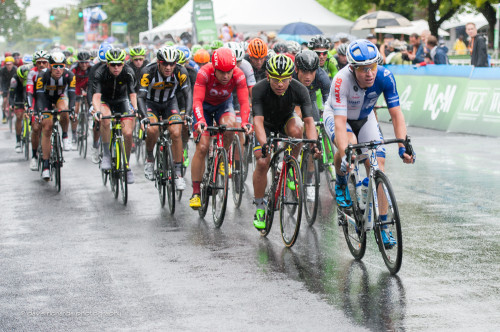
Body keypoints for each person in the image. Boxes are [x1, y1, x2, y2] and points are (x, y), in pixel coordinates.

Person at [323, 39, 414, 246]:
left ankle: (382, 224)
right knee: (349, 144)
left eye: (373, 66)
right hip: (339, 116)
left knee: (377, 166)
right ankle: (341, 181)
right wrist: (347, 153)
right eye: (364, 69)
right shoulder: (341, 81)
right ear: (352, 67)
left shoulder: (385, 76)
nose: (369, 73)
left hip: (365, 118)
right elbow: (340, 124)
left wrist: (403, 146)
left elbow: (396, 114)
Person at [251, 54, 319, 229]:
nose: (280, 84)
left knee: (298, 130)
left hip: (285, 121)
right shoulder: (259, 89)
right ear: (268, 77)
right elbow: (257, 121)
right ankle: (260, 206)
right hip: (265, 123)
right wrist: (264, 144)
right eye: (275, 80)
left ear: (291, 77)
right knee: (262, 161)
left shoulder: (300, 89)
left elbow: (309, 121)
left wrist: (313, 143)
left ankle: (290, 165)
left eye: (284, 80)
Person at [189, 47, 253, 209]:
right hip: (203, 106)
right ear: (214, 68)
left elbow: (245, 101)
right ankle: (196, 192)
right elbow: (196, 100)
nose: (226, 76)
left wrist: (245, 121)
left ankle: (221, 155)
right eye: (221, 72)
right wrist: (200, 121)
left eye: (229, 72)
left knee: (231, 126)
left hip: (223, 105)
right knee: (202, 146)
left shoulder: (238, 74)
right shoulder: (204, 72)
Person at [138, 47, 192, 190]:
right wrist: (144, 117)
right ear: (158, 62)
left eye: (172, 64)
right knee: (152, 129)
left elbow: (187, 94)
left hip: (170, 103)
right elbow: (141, 97)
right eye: (164, 64)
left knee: (176, 132)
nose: (168, 67)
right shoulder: (147, 72)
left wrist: (187, 114)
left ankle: (178, 173)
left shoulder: (181, 71)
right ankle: (150, 159)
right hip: (151, 104)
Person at [91, 48, 138, 184]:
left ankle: (127, 165)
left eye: (119, 64)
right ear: (107, 64)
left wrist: (135, 109)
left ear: (123, 64)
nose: (116, 67)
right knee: (105, 120)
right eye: (113, 64)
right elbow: (96, 96)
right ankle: (106, 154)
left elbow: (132, 94)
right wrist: (97, 110)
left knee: (128, 133)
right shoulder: (100, 72)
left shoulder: (129, 72)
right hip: (105, 101)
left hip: (122, 101)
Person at [34, 52, 76, 180]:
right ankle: (46, 165)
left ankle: (65, 136)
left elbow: (72, 94)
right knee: (47, 127)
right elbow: (39, 96)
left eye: (61, 66)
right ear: (50, 66)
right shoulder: (42, 75)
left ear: (65, 66)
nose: (58, 69)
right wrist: (40, 111)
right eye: (55, 66)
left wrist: (72, 109)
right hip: (45, 99)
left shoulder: (70, 75)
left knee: (64, 111)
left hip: (59, 97)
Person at [26, 50, 50, 170]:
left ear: (48, 63)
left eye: (44, 62)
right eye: (39, 62)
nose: (41, 65)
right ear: (35, 63)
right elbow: (30, 92)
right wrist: (31, 108)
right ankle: (34, 156)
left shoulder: (53, 72)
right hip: (36, 99)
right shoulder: (32, 73)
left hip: (49, 99)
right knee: (35, 128)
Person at [70, 50, 93, 149]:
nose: (84, 64)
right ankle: (74, 134)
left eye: (86, 62)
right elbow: (71, 84)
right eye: (82, 62)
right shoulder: (74, 69)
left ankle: (89, 117)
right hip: (76, 88)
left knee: (90, 103)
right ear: (78, 62)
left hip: (87, 87)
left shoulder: (92, 68)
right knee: (75, 111)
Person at [9, 65, 31, 153]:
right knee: (19, 117)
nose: (23, 81)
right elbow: (11, 95)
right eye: (21, 79)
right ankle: (18, 141)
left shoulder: (29, 78)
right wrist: (11, 104)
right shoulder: (14, 80)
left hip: (27, 95)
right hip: (18, 97)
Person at [0, 56, 17, 123]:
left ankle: (12, 109)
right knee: (4, 100)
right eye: (7, 65)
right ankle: (4, 115)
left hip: (13, 85)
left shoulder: (15, 69)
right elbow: (1, 80)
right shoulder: (2, 70)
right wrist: (1, 89)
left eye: (10, 64)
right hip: (5, 85)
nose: (9, 66)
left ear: (13, 64)